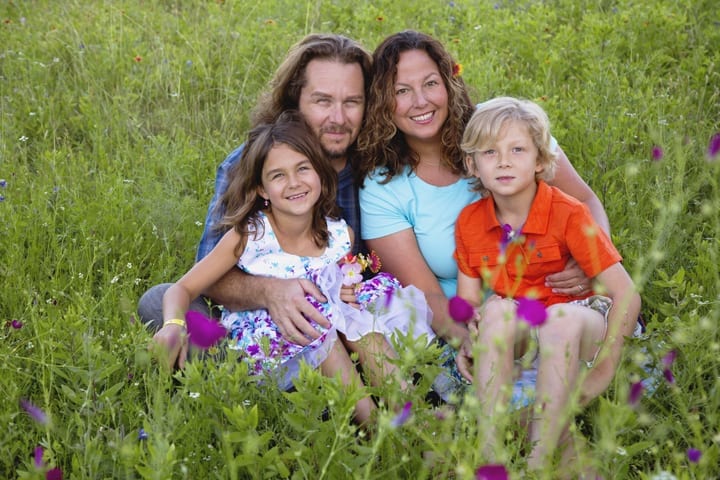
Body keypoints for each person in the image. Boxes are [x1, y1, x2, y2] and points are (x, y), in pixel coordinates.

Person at [151, 113, 433, 424]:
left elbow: (341, 289)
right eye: (278, 175)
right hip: (279, 341)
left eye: (303, 169)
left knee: (359, 319)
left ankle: (412, 418)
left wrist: (346, 291)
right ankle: (371, 426)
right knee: (319, 326)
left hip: (332, 331)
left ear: (321, 174)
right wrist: (173, 323)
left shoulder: (341, 235)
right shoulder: (250, 235)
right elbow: (183, 287)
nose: (294, 183)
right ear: (261, 188)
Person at [357, 30, 610, 345]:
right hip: (475, 327)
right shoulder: (383, 186)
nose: (420, 101)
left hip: (562, 306)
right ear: (383, 101)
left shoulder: (501, 127)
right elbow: (429, 297)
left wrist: (593, 263)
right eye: (402, 90)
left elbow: (585, 199)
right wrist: (473, 347)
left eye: (430, 83)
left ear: (449, 84)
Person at [138, 34, 373, 344]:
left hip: (352, 322)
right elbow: (210, 274)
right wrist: (270, 291)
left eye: (352, 102)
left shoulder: (377, 164)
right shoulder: (247, 166)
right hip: (266, 326)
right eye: (323, 100)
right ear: (295, 101)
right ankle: (242, 380)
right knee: (160, 300)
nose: (338, 118)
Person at [452, 97, 641, 469]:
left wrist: (605, 367)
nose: (504, 161)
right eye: (490, 152)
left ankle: (540, 459)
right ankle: (491, 454)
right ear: (472, 164)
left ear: (540, 160)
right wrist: (470, 337)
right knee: (496, 311)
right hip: (528, 327)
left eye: (517, 149)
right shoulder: (471, 222)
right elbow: (468, 303)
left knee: (561, 320)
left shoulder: (567, 212)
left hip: (584, 320)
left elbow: (625, 293)